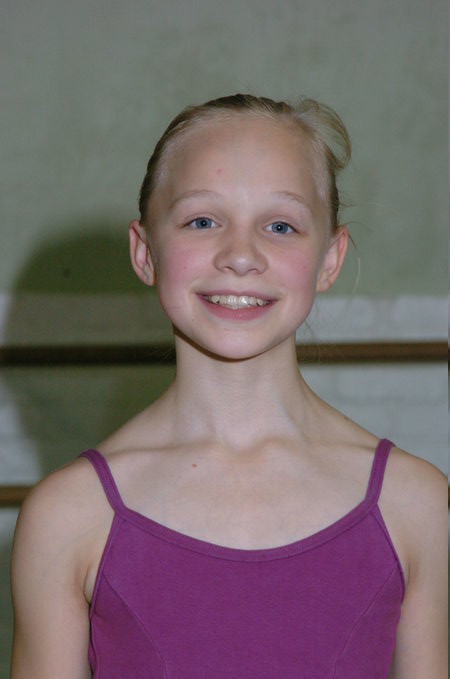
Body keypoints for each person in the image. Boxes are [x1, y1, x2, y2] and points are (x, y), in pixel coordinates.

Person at [10, 94, 447, 678]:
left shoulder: (413, 502)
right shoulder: (66, 516)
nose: (241, 255)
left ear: (330, 258)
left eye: (280, 225)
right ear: (145, 251)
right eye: (203, 221)